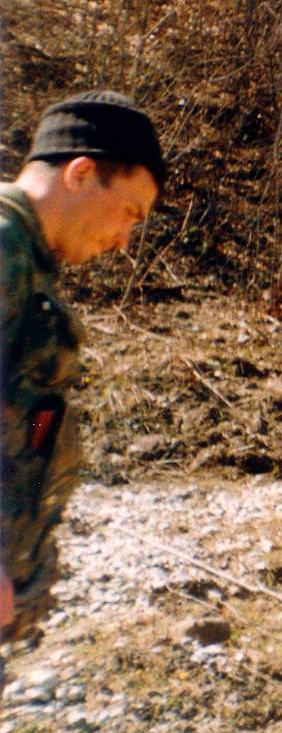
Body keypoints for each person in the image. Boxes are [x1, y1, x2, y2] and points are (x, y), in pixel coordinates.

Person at [2, 91, 164, 642]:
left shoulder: (25, 260)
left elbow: (34, 415)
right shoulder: (2, 248)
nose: (124, 239)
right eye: (129, 213)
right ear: (81, 171)